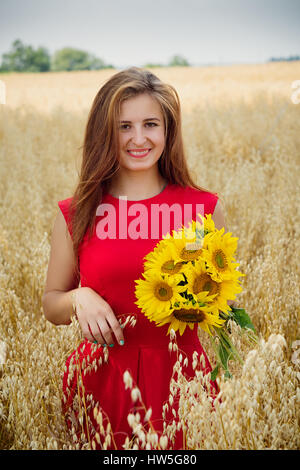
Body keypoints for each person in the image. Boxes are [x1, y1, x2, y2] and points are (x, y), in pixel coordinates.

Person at [42, 66, 235, 450]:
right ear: (104, 132)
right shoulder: (78, 211)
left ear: (168, 131)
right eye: (124, 126)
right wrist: (79, 298)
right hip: (101, 383)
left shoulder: (203, 209)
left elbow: (222, 299)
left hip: (184, 382)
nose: (139, 139)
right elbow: (51, 303)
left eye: (151, 124)